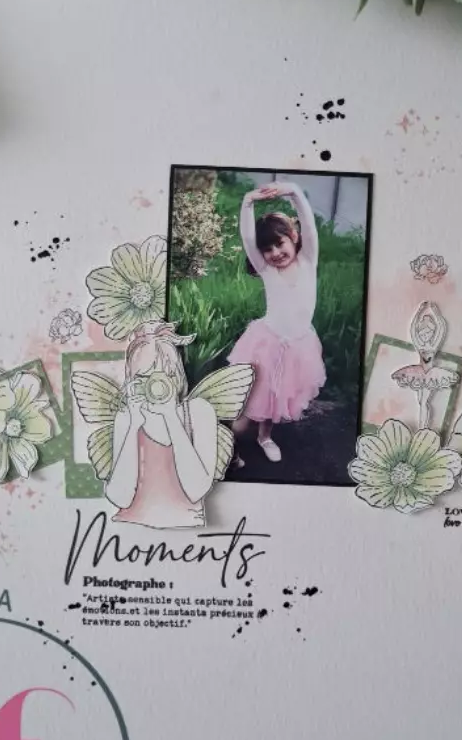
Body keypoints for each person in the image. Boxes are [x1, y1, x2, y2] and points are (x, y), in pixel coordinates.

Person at [228, 181, 326, 465]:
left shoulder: (308, 261)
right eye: (267, 249)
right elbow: (248, 238)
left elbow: (309, 224)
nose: (275, 252)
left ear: (294, 237)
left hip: (298, 347)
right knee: (250, 406)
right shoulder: (267, 269)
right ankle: (228, 446)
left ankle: (265, 437)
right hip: (266, 345)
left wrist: (293, 190)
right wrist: (248, 202)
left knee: (276, 398)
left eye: (279, 243)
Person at [105, 320, 218, 529]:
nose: (154, 386)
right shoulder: (127, 418)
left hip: (188, 530)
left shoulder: (197, 412)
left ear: (176, 374)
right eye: (144, 377)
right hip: (129, 529)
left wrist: (171, 417)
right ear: (131, 380)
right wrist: (133, 427)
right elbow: (120, 497)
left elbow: (197, 490)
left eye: (163, 376)